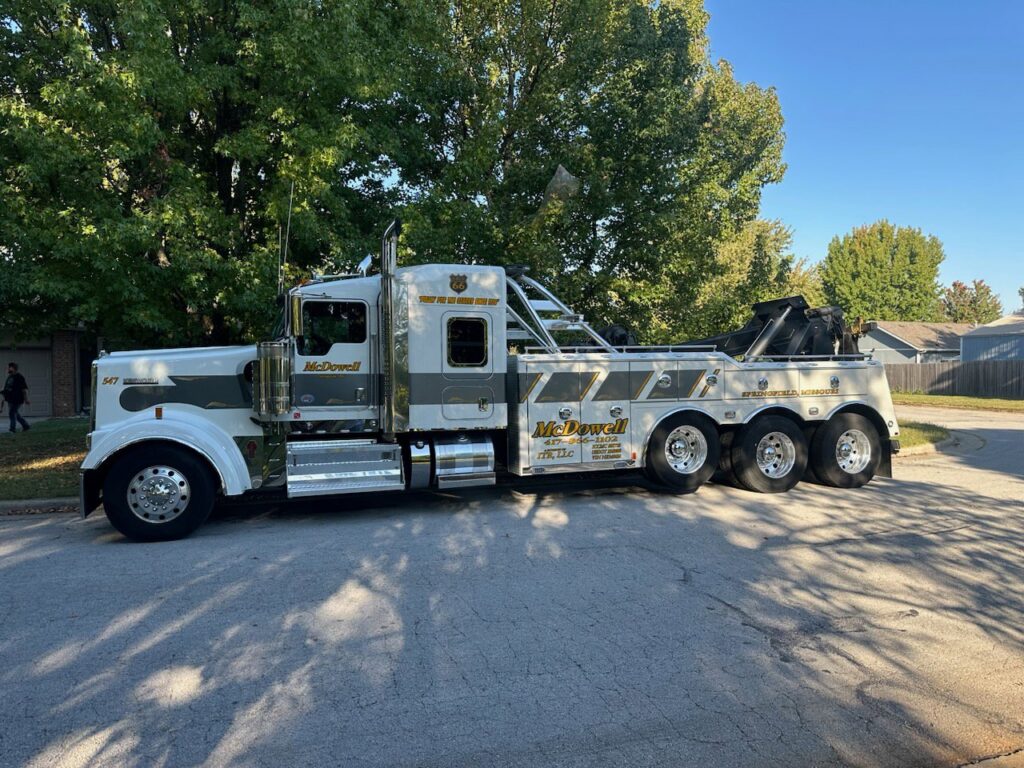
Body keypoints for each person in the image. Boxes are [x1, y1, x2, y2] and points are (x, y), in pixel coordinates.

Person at [2, 361, 31, 433]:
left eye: (9, 367)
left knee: (12, 413)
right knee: (16, 414)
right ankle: (26, 426)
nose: (8, 368)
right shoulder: (10, 377)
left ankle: (12, 429)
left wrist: (26, 399)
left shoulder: (19, 377)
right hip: (10, 399)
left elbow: (24, 389)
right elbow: (8, 387)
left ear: (13, 368)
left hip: (17, 399)